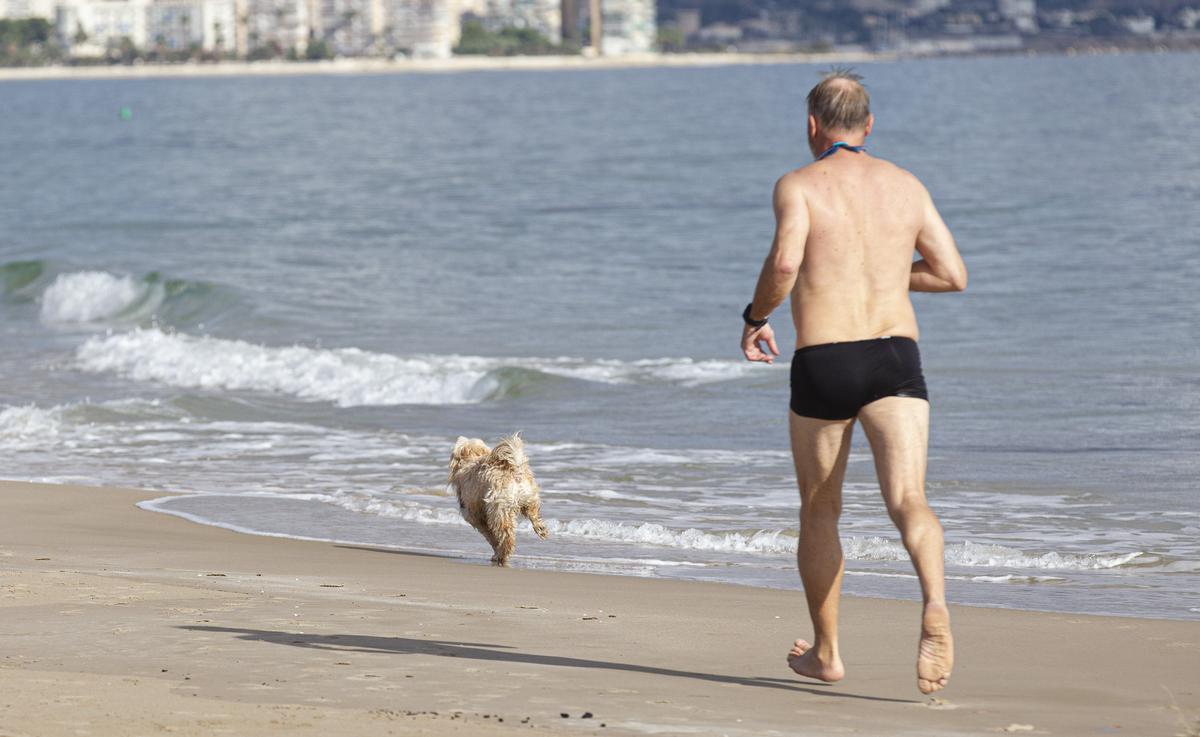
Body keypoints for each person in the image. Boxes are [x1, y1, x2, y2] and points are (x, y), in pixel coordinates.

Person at [740, 69, 967, 695]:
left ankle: (827, 653)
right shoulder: (907, 185)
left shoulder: (798, 185)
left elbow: (785, 263)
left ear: (812, 125)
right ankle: (935, 603)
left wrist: (755, 318)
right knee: (910, 500)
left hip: (826, 359)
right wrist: (886, 272)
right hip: (896, 356)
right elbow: (952, 274)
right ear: (869, 125)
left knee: (821, 508)